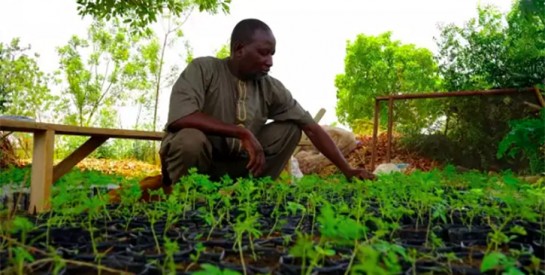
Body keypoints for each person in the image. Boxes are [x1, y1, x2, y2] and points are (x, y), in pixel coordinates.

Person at [159, 18, 375, 186]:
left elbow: (311, 127)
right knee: (189, 138)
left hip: (237, 166)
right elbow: (181, 117)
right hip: (199, 165)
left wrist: (348, 170)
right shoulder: (204, 69)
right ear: (238, 49)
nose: (269, 61)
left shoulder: (270, 86)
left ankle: (248, 189)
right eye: (263, 53)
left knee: (291, 128)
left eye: (272, 54)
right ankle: (189, 194)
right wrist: (241, 132)